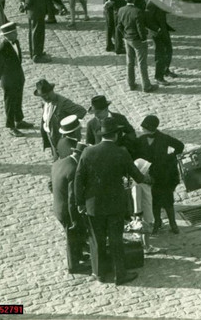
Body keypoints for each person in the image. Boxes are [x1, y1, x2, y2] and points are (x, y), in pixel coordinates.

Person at [75, 116, 148, 285]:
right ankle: (119, 274)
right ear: (115, 135)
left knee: (97, 240)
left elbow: (79, 180)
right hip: (115, 205)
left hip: (93, 205)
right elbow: (137, 176)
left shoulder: (87, 152)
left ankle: (99, 273)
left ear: (101, 135)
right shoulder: (121, 152)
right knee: (116, 240)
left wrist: (80, 203)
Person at [134, 115, 184, 233]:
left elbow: (180, 146)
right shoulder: (141, 140)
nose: (142, 130)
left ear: (151, 128)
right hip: (149, 175)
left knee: (168, 201)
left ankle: (173, 224)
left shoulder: (164, 138)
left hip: (164, 175)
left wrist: (170, 158)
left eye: (144, 128)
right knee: (154, 201)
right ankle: (157, 222)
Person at [51, 139, 90, 274]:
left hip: (58, 206)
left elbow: (51, 185)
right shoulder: (74, 170)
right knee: (72, 236)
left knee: (76, 234)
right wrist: (74, 220)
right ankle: (73, 266)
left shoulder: (59, 163)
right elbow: (72, 199)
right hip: (67, 211)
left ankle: (79, 255)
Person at [116, 0, 153, 92]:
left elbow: (119, 26)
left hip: (127, 39)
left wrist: (125, 35)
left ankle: (131, 84)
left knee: (130, 62)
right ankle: (146, 86)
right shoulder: (137, 11)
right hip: (137, 40)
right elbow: (140, 28)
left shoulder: (121, 10)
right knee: (142, 63)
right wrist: (144, 39)